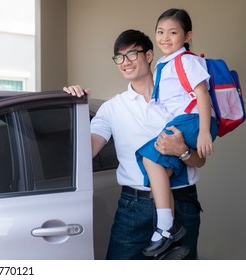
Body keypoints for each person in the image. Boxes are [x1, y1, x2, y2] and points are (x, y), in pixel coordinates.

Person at [64, 29, 205, 260]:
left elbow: (200, 160)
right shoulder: (112, 108)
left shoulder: (179, 100)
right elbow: (84, 152)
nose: (125, 62)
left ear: (149, 55)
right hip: (133, 207)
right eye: (119, 58)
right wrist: (73, 108)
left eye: (131, 54)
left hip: (182, 203)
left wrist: (182, 151)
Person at [136, 8, 217, 257]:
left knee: (150, 158)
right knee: (159, 170)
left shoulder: (187, 60)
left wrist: (204, 131)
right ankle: (170, 235)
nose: (165, 38)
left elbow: (202, 93)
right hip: (184, 121)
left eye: (173, 32)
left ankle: (165, 228)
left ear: (187, 35)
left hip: (193, 120)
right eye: (160, 32)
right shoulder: (163, 63)